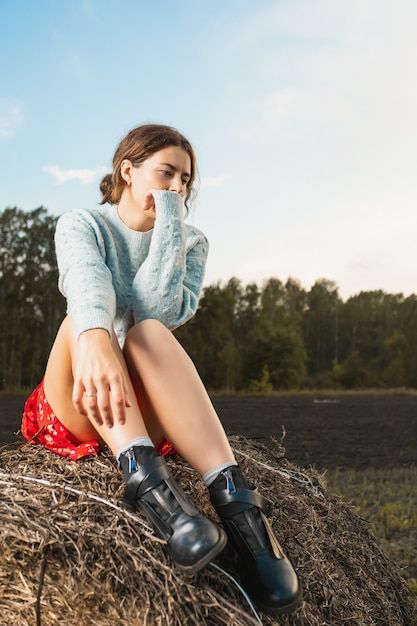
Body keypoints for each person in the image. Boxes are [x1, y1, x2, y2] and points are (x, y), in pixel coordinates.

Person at [21, 123, 301, 615]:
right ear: (127, 171)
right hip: (80, 395)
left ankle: (240, 512)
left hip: (138, 401)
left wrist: (169, 219)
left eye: (185, 181)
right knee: (82, 318)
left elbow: (158, 309)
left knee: (149, 332)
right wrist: (97, 338)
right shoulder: (82, 223)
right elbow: (87, 282)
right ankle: (156, 496)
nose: (178, 187)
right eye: (166, 173)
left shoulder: (191, 244)